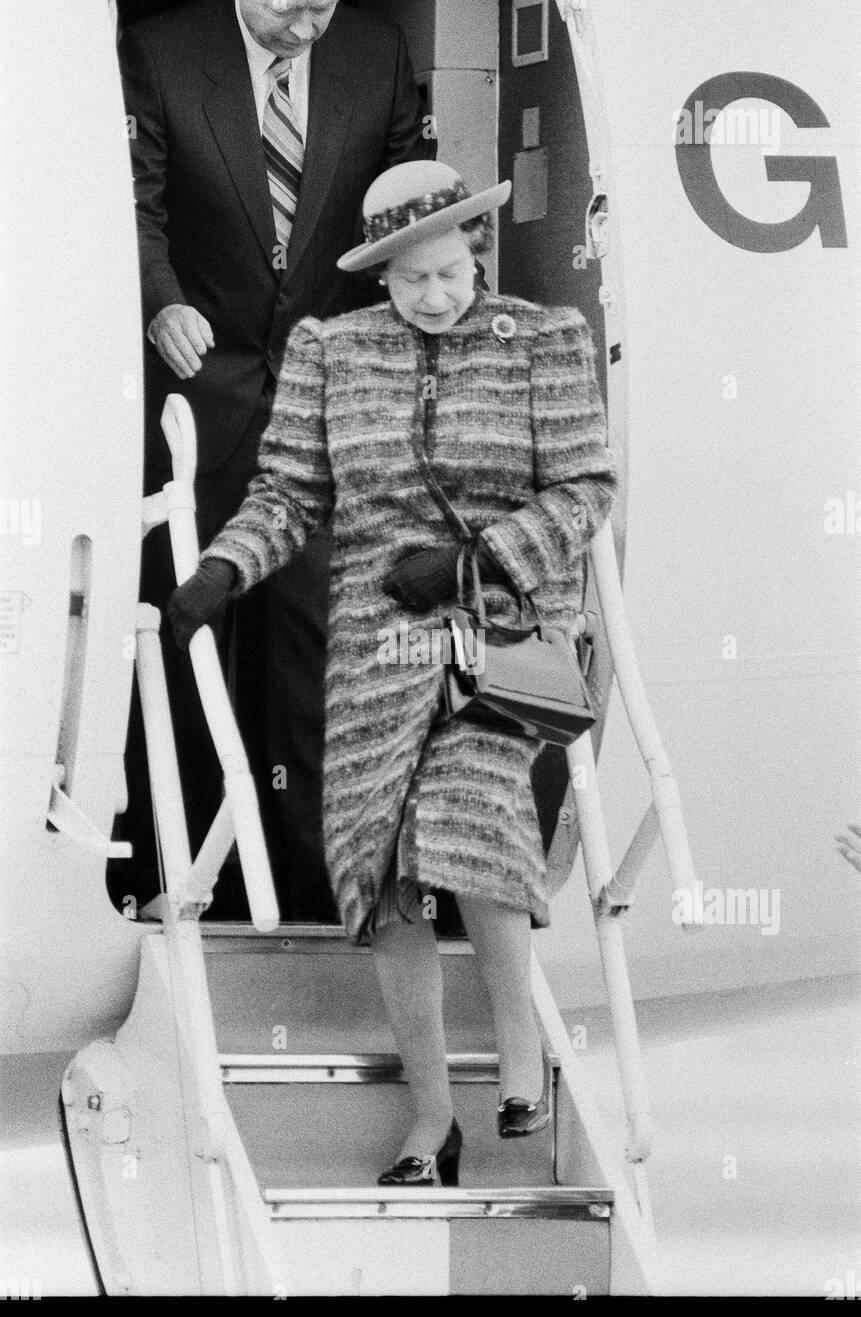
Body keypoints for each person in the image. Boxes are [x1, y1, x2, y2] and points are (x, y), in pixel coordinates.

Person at [169, 162, 617, 1184]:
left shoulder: (544, 340)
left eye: (452, 274)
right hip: (378, 648)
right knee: (382, 873)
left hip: (499, 633)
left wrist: (475, 562)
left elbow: (588, 487)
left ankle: (517, 1066)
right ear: (381, 277)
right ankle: (430, 1118)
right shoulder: (331, 351)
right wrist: (218, 569)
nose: (435, 297)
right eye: (412, 280)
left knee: (467, 814)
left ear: (477, 256)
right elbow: (288, 493)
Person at [116, 0, 433, 922]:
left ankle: (311, 884)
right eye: (287, 7)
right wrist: (159, 301)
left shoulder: (376, 53)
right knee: (187, 624)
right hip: (200, 382)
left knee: (315, 633)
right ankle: (176, 874)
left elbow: (408, 207)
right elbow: (131, 201)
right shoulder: (161, 53)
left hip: (326, 383)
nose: (307, 26)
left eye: (322, 7)